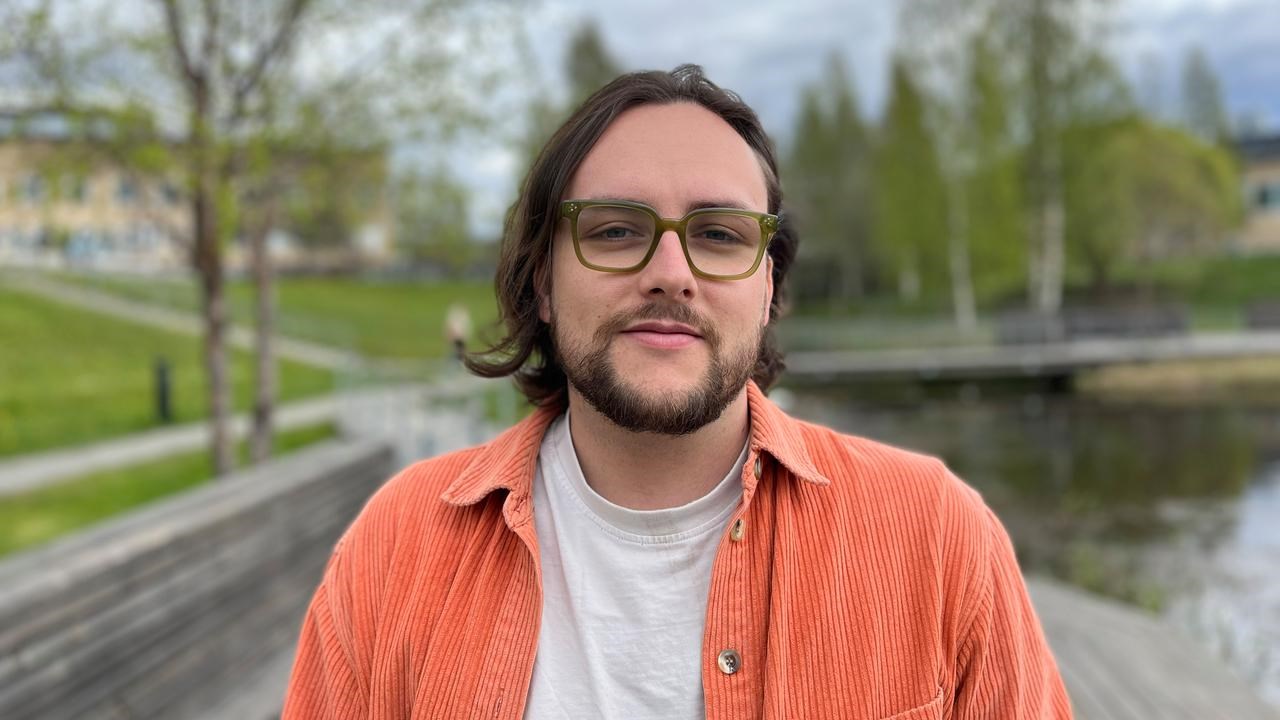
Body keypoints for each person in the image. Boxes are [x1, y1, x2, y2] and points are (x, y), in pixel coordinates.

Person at [282, 65, 1072, 720]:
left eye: (720, 235)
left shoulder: (937, 538)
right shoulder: (393, 553)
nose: (671, 273)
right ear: (543, 284)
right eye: (616, 230)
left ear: (768, 289)